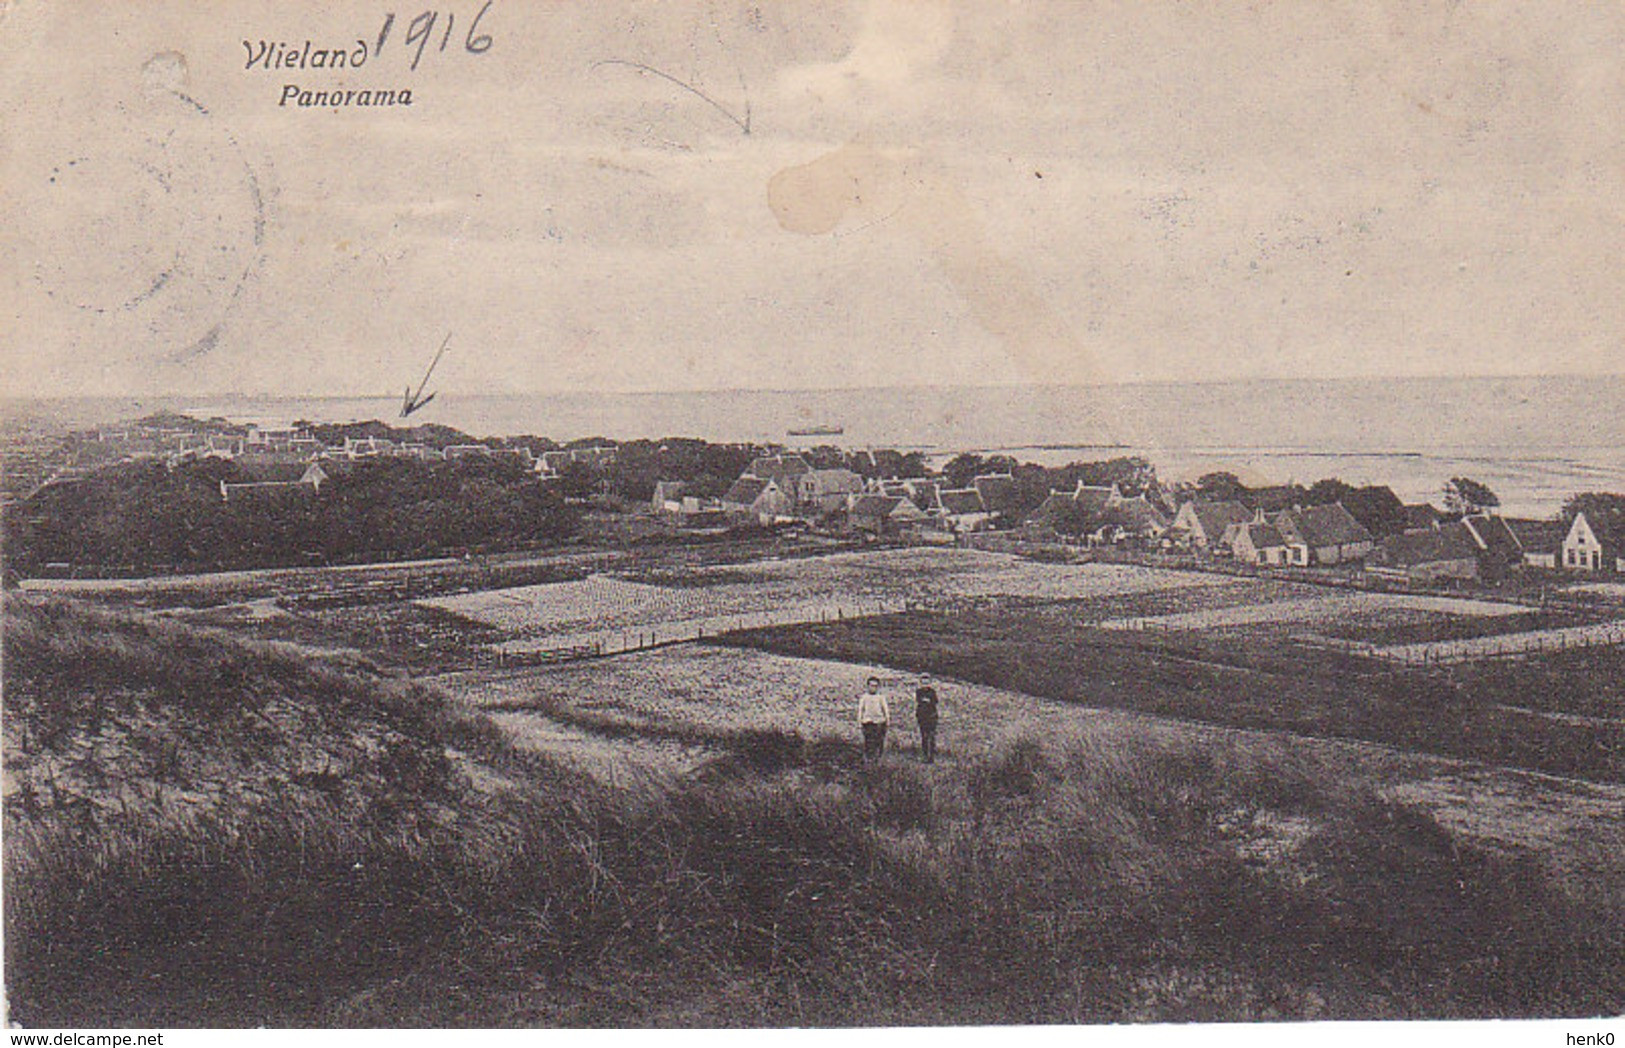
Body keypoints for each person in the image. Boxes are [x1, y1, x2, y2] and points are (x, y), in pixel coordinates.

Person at [857, 676, 890, 762]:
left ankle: (878, 759)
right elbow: (861, 710)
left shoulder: (880, 697)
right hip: (868, 722)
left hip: (879, 722)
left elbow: (885, 709)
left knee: (879, 741)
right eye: (871, 685)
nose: (873, 688)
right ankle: (869, 759)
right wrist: (859, 723)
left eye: (875, 686)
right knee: (868, 742)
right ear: (868, 686)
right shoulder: (864, 697)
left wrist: (887, 721)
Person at [915, 674, 940, 764]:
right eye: (923, 683)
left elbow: (934, 702)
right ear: (921, 683)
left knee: (932, 737)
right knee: (924, 737)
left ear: (930, 683)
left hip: (931, 717)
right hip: (922, 717)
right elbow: (919, 701)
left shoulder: (932, 692)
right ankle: (925, 755)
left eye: (927, 683)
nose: (925, 685)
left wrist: (926, 701)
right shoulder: (919, 692)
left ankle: (931, 757)